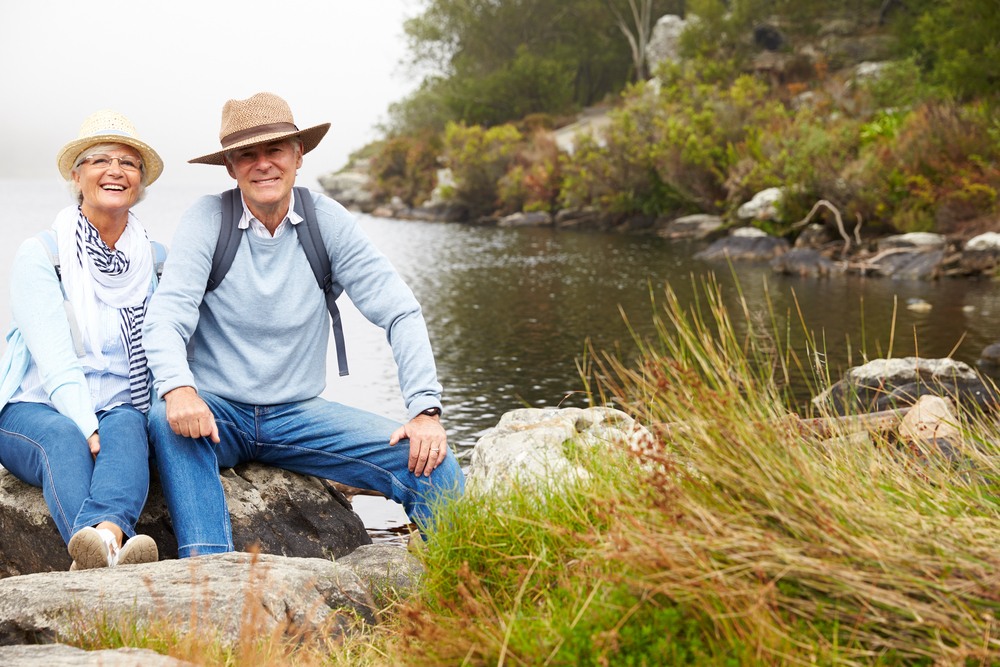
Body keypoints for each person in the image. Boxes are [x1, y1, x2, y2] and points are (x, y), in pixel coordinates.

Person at [144, 92, 464, 558]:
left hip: (298, 417)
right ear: (231, 167)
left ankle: (464, 583)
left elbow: (400, 311)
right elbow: (167, 316)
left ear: (298, 156)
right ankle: (209, 577)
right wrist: (178, 389)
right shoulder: (207, 219)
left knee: (432, 464)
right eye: (246, 154)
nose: (262, 164)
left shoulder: (326, 221)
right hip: (219, 414)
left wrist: (425, 410)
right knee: (166, 422)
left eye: (274, 150)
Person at [0, 110, 163, 570]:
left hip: (119, 401)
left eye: (129, 163)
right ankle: (108, 553)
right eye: (100, 160)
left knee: (130, 426)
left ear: (140, 182)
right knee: (64, 435)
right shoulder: (42, 254)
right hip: (35, 407)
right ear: (77, 176)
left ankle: (103, 543)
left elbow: (169, 346)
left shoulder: (156, 261)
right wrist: (87, 425)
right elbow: (54, 361)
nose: (115, 171)